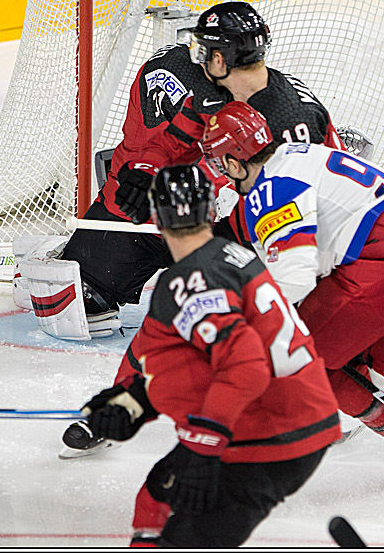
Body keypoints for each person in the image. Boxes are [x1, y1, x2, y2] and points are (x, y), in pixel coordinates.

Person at [196, 102, 384, 482]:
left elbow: (293, 279)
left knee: (296, 361)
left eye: (219, 162)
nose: (219, 171)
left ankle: (239, 469)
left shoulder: (271, 188)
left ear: (236, 162)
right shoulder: (301, 153)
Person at [77, 165, 341, 547]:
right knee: (155, 497)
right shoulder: (229, 254)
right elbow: (194, 365)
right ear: (211, 211)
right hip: (293, 420)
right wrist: (135, 402)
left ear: (156, 218)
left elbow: (245, 366)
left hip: (271, 436)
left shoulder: (190, 280)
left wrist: (202, 448)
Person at [55, 0, 343, 324]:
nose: (197, 54)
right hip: (194, 200)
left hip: (261, 219)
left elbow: (328, 196)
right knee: (81, 294)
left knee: (284, 306)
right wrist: (145, 170)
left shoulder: (295, 117)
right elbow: (154, 141)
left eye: (204, 49)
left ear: (219, 59)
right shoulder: (184, 73)